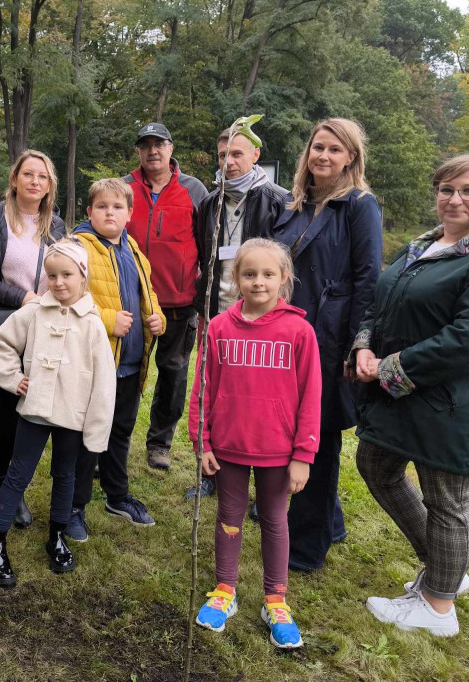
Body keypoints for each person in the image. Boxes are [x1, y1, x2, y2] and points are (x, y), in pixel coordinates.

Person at [351, 154, 469, 637]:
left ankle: (438, 609)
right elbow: (380, 301)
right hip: (408, 395)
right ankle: (446, 572)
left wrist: (388, 369)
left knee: (448, 500)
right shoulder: (424, 246)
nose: (454, 198)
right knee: (376, 465)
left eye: (468, 190)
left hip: (457, 402)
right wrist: (365, 343)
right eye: (446, 189)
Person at [188, 238, 320, 649]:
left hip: (278, 453)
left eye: (267, 274)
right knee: (228, 515)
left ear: (284, 278)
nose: (258, 282)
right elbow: (202, 389)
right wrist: (202, 439)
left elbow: (311, 396)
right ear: (235, 279)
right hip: (227, 447)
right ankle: (225, 589)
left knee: (274, 520)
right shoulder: (219, 328)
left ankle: (275, 599)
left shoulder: (299, 331)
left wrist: (303, 455)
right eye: (249, 274)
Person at [271, 118, 382, 572]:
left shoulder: (359, 206)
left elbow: (368, 279)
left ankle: (305, 547)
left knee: (316, 439)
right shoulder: (294, 206)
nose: (323, 156)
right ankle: (329, 522)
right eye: (318, 147)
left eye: (335, 150)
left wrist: (358, 343)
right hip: (286, 335)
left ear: (350, 157)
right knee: (286, 430)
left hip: (328, 337)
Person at [0, 239, 117, 588]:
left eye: (67, 275)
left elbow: (104, 382)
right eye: (52, 275)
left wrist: (97, 430)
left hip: (73, 414)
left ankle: (56, 536)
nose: (58, 282)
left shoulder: (92, 324)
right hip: (35, 410)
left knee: (65, 475)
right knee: (17, 474)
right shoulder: (34, 312)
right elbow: (2, 341)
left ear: (82, 276)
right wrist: (12, 378)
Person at [0, 150, 68, 528]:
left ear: (49, 184)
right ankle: (0, 488)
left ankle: (13, 486)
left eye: (43, 176)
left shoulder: (55, 225)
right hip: (4, 330)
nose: (35, 181)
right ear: (14, 179)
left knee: (29, 410)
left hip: (44, 331)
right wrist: (21, 296)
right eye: (28, 174)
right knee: (9, 408)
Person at [188, 124, 290, 499]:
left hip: (261, 315)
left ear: (255, 156)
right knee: (215, 391)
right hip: (218, 312)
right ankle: (211, 469)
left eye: (236, 154)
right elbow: (204, 256)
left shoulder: (279, 200)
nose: (228, 162)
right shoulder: (210, 203)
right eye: (222, 155)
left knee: (256, 394)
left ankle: (263, 481)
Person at [67, 178, 166, 541]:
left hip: (130, 363)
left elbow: (147, 294)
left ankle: (116, 495)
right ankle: (74, 505)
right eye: (102, 206)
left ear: (129, 214)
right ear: (89, 211)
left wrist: (158, 318)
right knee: (85, 436)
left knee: (120, 431)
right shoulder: (77, 248)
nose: (110, 212)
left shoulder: (134, 250)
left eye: (117, 207)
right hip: (94, 363)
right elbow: (63, 297)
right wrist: (108, 319)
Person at [122, 123, 207, 471]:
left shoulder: (194, 190)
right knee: (123, 375)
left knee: (173, 377)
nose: (152, 151)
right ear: (139, 152)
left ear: (171, 149)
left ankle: (159, 444)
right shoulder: (124, 188)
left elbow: (207, 245)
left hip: (178, 303)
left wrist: (202, 299)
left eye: (159, 144)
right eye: (146, 145)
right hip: (130, 301)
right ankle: (114, 440)